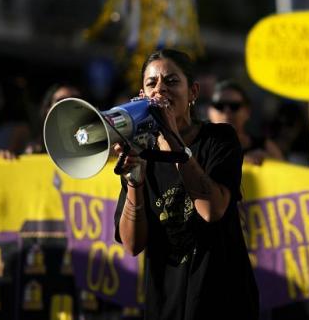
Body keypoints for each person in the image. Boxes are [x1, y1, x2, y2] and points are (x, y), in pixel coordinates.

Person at [113, 49, 259, 319]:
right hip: (166, 306)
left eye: (171, 81)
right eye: (152, 83)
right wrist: (135, 182)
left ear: (193, 92)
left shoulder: (220, 138)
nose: (161, 90)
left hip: (223, 303)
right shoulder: (141, 152)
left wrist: (172, 138)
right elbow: (132, 245)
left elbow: (211, 210)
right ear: (142, 95)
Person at [207, 80, 283, 165]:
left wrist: (270, 162)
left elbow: (284, 175)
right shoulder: (197, 147)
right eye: (219, 106)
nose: (226, 111)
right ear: (209, 111)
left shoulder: (266, 147)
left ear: (247, 111)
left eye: (234, 106)